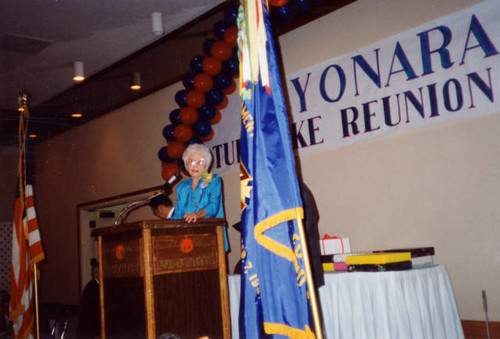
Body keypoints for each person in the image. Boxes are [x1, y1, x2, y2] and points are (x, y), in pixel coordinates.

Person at [172, 143, 228, 250]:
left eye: (200, 162)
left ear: (206, 165)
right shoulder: (182, 187)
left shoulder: (213, 180)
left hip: (210, 237)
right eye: (191, 161)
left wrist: (197, 215)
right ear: (186, 165)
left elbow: (213, 206)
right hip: (187, 240)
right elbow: (178, 214)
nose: (195, 165)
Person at [77, 266, 101, 339]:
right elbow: (92, 307)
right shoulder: (91, 287)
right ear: (95, 274)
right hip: (91, 322)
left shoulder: (97, 285)